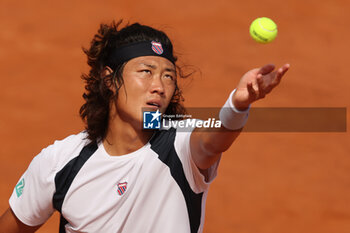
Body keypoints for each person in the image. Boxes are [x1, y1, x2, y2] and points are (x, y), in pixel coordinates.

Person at [0, 20, 289, 233]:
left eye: (167, 76)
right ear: (110, 80)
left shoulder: (180, 146)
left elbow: (214, 138)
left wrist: (237, 105)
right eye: (145, 72)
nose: (159, 87)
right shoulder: (60, 162)